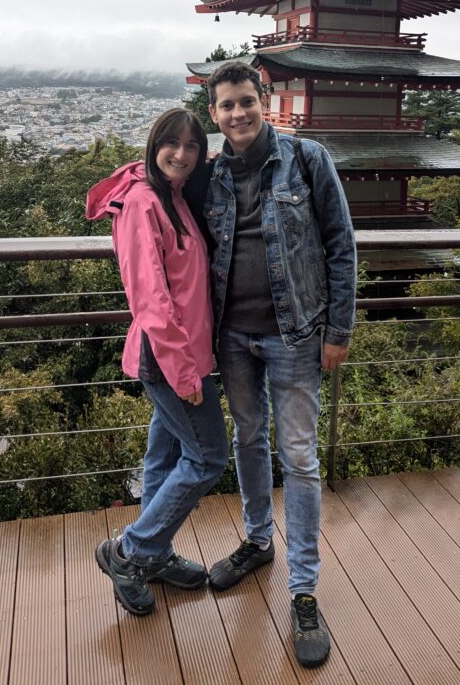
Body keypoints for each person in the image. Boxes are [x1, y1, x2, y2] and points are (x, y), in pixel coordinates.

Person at [203, 61, 357, 668]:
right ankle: (258, 541)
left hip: (296, 333)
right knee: (248, 440)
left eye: (246, 101)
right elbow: (162, 193)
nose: (237, 113)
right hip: (231, 335)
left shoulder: (307, 159)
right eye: (225, 105)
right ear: (212, 113)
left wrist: (339, 330)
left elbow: (340, 244)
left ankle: (304, 589)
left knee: (298, 456)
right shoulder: (210, 176)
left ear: (263, 101)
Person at [85, 108, 229, 617]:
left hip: (185, 353)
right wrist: (186, 371)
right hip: (171, 358)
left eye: (192, 146)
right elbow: (150, 298)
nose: (182, 154)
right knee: (209, 456)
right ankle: (131, 551)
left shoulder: (172, 196)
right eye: (172, 143)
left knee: (165, 458)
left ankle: (155, 553)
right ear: (154, 143)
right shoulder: (142, 202)